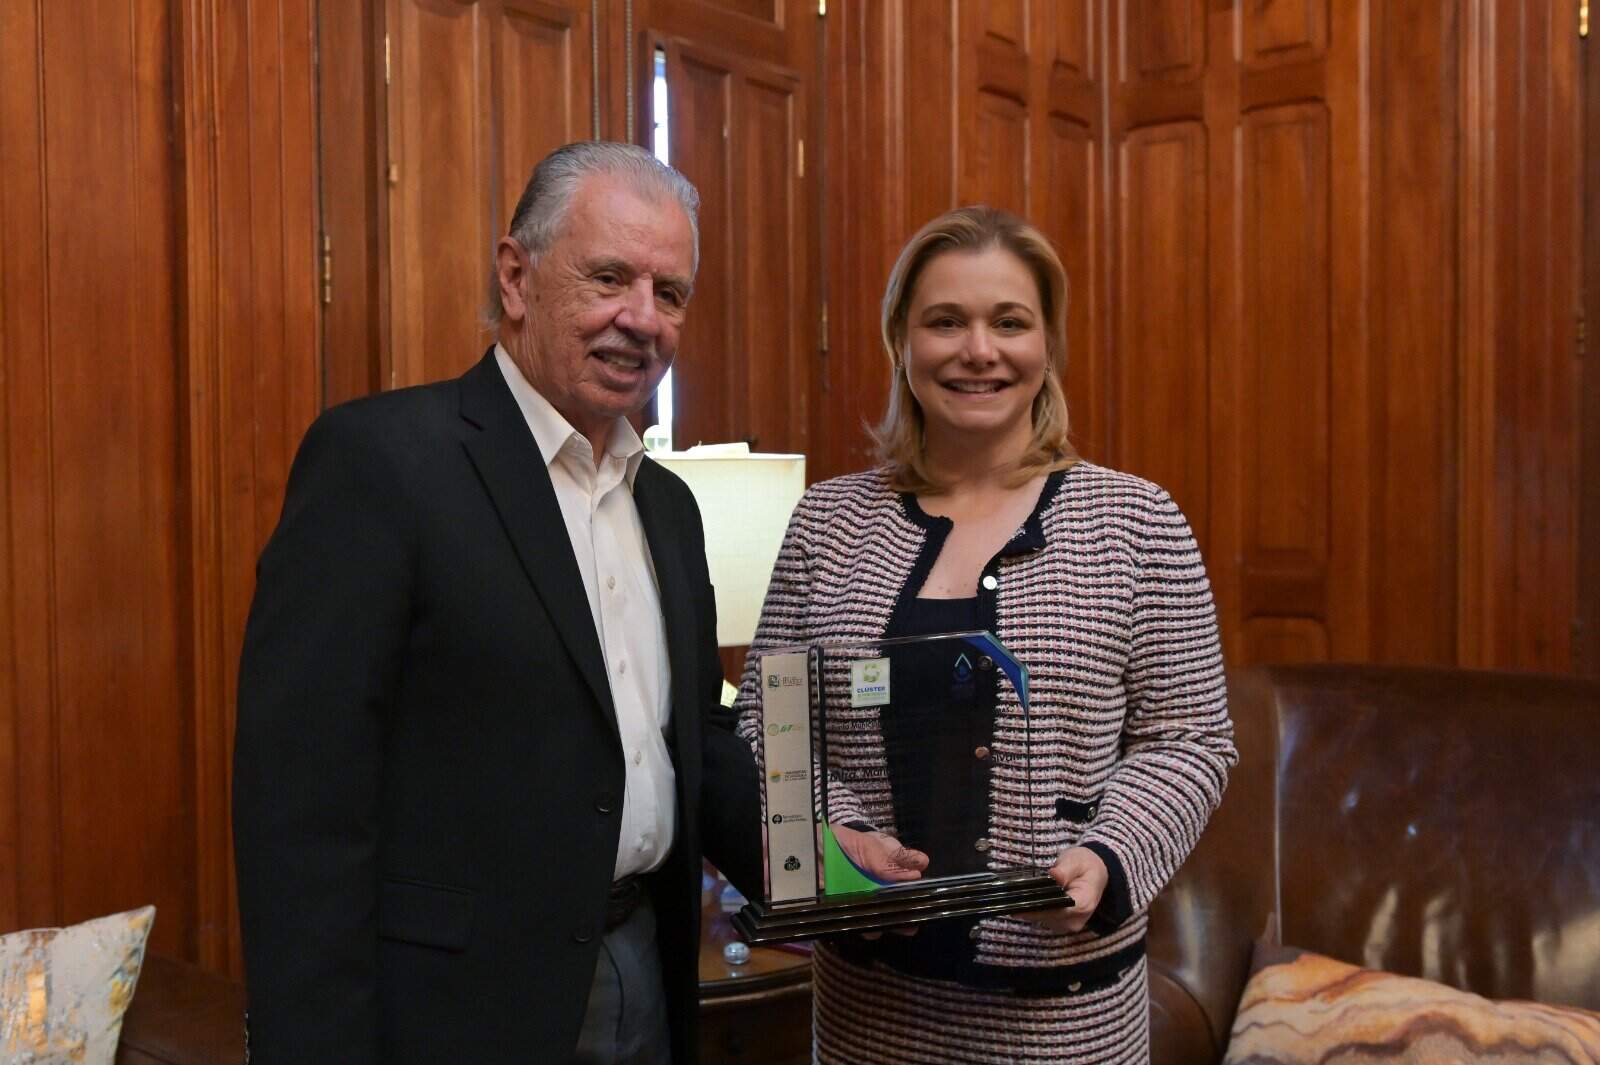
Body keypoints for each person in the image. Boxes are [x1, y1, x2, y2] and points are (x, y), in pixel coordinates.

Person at [233, 141, 761, 1065]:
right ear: (517, 277)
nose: (642, 319)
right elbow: (302, 809)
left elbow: (693, 739)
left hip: (649, 972)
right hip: (458, 1012)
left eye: (670, 293)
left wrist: (818, 859)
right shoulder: (382, 464)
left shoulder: (669, 507)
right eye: (609, 278)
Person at [733, 205, 1238, 1063]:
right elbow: (766, 726)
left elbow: (1189, 741)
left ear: (1048, 344)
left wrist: (1110, 854)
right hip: (869, 1017)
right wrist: (835, 831)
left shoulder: (1138, 523)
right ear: (901, 339)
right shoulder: (826, 524)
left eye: (1009, 322)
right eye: (945, 321)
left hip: (1063, 1023)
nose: (978, 350)